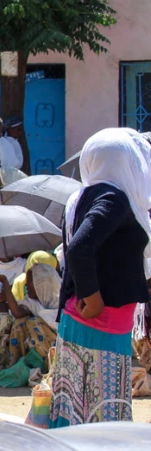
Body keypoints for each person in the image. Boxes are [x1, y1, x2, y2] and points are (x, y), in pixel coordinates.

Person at [52, 127, 151, 427]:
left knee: (81, 418)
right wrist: (93, 300)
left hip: (93, 328)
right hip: (100, 327)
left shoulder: (88, 195)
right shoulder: (114, 198)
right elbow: (80, 249)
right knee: (103, 423)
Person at [1, 261, 62, 361]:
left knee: (33, 323)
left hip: (61, 350)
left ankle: (51, 364)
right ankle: (18, 363)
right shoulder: (32, 302)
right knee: (20, 322)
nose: (26, 285)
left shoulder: (64, 302)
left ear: (41, 282)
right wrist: (4, 283)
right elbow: (17, 312)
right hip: (39, 350)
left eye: (29, 281)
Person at [0, 117, 26, 183]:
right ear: (10, 129)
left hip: (12, 175)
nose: (20, 132)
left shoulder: (12, 142)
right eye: (18, 129)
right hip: (3, 176)